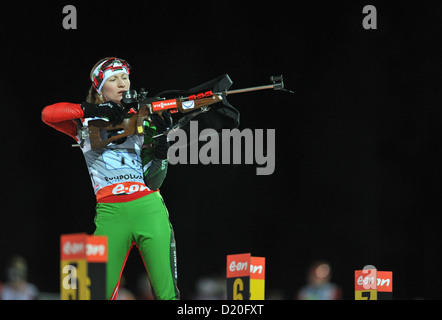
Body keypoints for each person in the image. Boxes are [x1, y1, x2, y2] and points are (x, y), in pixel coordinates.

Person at [41, 57, 179, 300]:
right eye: (113, 79)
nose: (122, 84)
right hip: (110, 214)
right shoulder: (83, 123)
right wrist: (92, 109)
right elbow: (48, 114)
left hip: (148, 207)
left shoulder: (143, 119)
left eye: (125, 77)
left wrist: (162, 140)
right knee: (95, 295)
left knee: (167, 296)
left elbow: (155, 181)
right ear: (99, 88)